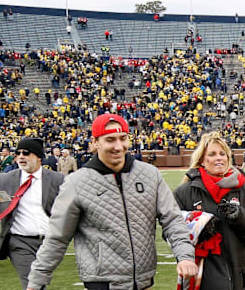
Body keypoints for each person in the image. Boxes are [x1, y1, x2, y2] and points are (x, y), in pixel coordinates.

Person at [27, 114, 198, 290]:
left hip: (144, 281)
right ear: (95, 142)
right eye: (110, 140)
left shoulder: (150, 174)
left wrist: (184, 256)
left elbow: (172, 220)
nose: (118, 146)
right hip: (102, 282)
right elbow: (57, 237)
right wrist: (36, 282)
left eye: (123, 138)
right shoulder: (76, 183)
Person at [174, 132, 245, 290]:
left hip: (235, 275)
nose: (219, 158)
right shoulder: (185, 192)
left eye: (222, 154)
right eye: (212, 154)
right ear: (202, 161)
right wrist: (197, 228)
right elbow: (171, 230)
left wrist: (240, 217)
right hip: (200, 276)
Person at [0, 138, 64, 289]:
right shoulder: (7, 181)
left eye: (26, 153)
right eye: (18, 153)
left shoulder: (57, 180)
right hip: (20, 243)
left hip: (50, 243)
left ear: (39, 157)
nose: (20, 156)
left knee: (39, 282)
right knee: (32, 283)